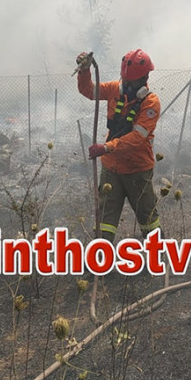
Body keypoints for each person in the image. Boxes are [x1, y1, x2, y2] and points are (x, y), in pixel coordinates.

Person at [76, 49, 161, 244]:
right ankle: (99, 261)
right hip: (111, 169)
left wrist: (106, 147)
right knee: (105, 220)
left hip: (137, 170)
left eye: (132, 82)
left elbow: (137, 138)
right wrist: (85, 70)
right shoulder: (115, 89)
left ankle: (159, 258)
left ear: (144, 79)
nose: (127, 86)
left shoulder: (150, 103)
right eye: (126, 81)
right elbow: (89, 90)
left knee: (148, 220)